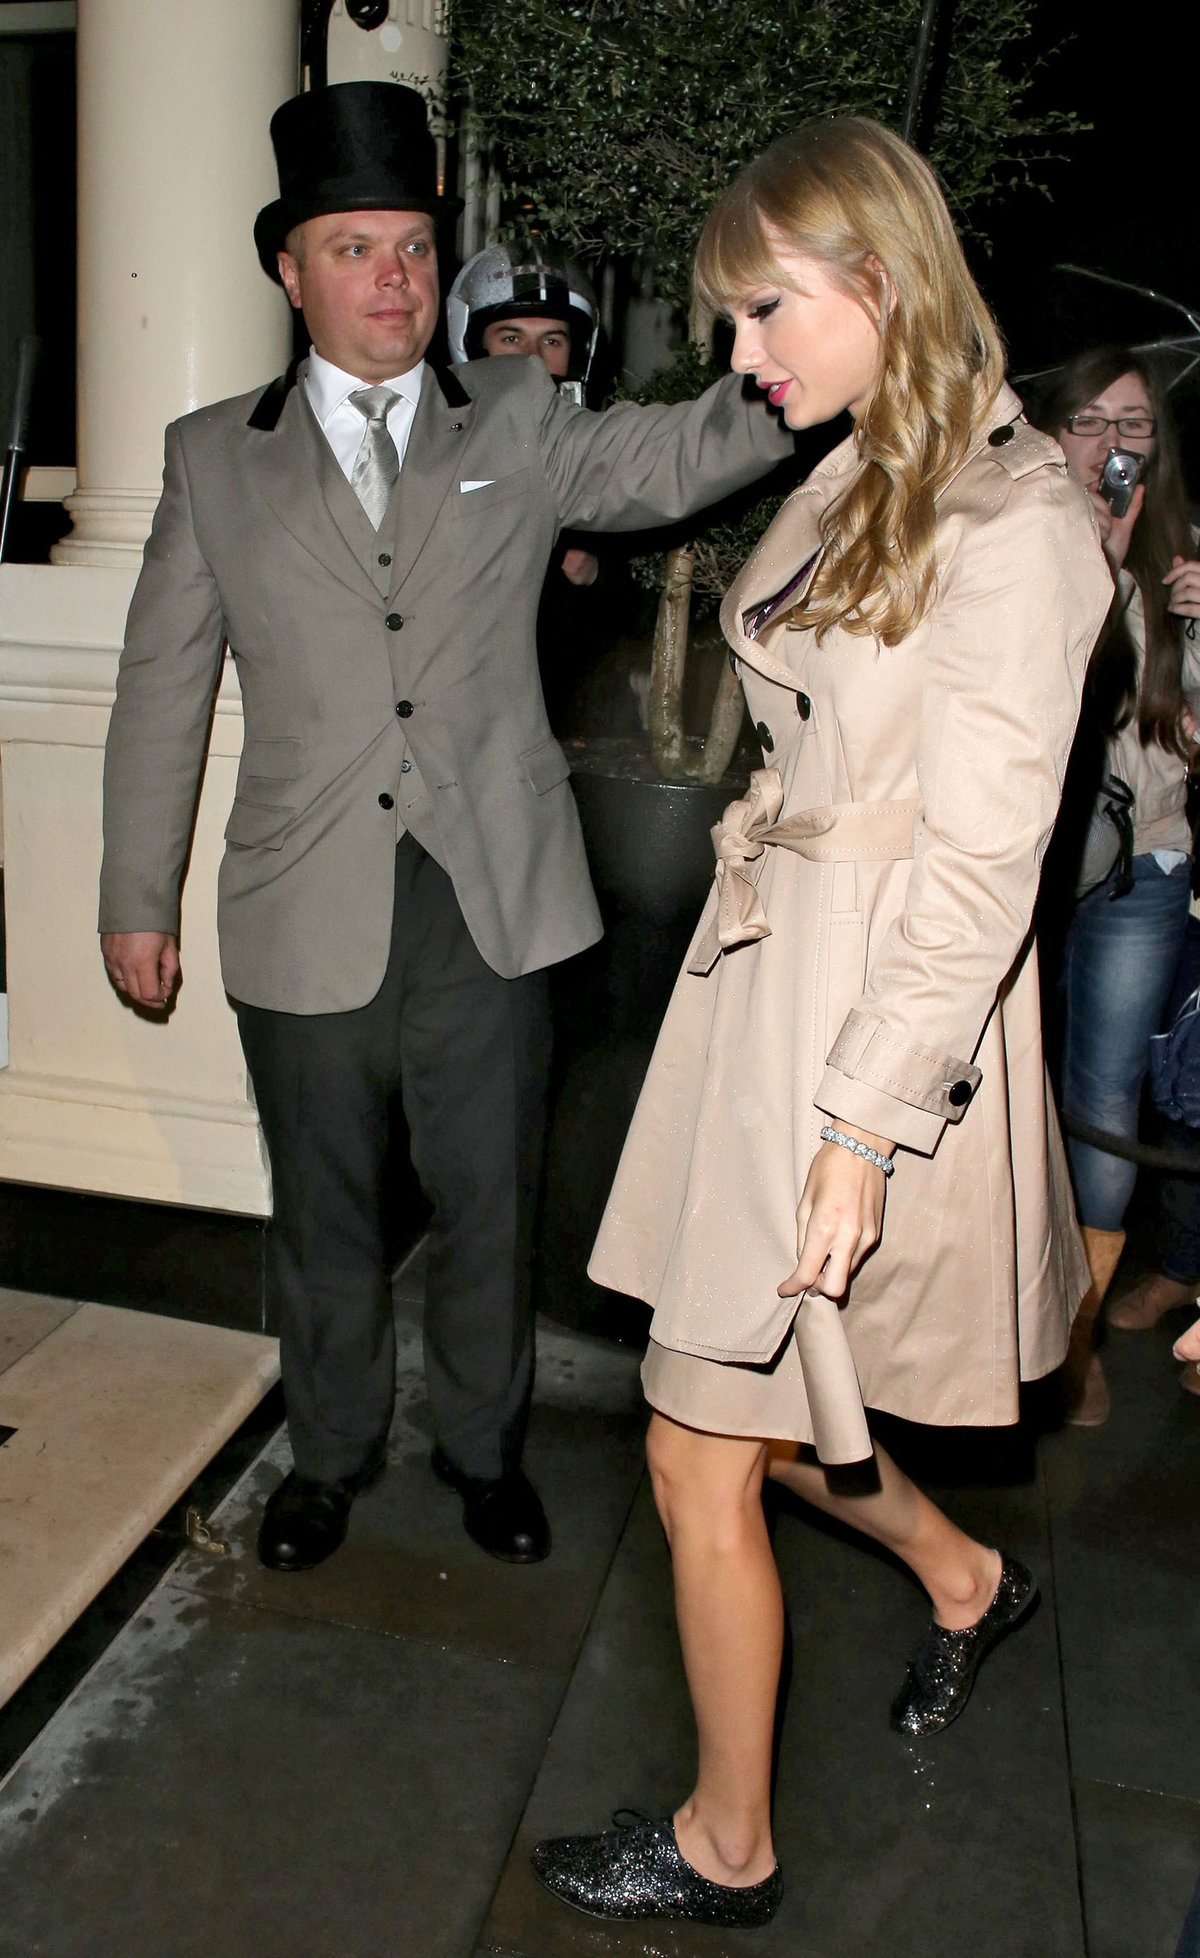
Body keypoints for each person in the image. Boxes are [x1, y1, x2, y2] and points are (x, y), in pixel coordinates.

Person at [531, 115, 1111, 1929]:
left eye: (766, 307)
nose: (742, 354)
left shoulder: (1022, 523)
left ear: (881, 276)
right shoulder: (859, 467)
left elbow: (982, 866)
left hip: (865, 1023)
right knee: (755, 1406)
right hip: (772, 981)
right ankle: (958, 1574)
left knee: (700, 1435)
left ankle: (730, 1845)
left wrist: (862, 1119)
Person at [97, 81, 793, 1577]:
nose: (394, 278)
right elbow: (162, 684)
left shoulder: (524, 417)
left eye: (412, 246)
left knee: (490, 1199)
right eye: (356, 248)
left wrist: (795, 366)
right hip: (301, 892)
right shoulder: (215, 455)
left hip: (492, 891)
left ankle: (485, 1451)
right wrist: (132, 892)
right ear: (291, 271)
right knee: (324, 1206)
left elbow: (668, 464)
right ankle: (330, 1451)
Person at [1031, 350, 1200, 1424]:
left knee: (1099, 1102)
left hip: (1146, 866)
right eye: (1088, 420)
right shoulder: (1017, 541)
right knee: (1004, 1093)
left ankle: (1075, 1346)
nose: (1111, 443)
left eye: (1131, 423)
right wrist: (1083, 570)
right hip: (1025, 868)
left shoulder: (1185, 562)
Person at [448, 241, 601, 592]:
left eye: (551, 342)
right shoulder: (428, 444)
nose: (533, 360)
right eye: (512, 338)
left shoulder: (592, 450)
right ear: (472, 346)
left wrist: (591, 571)